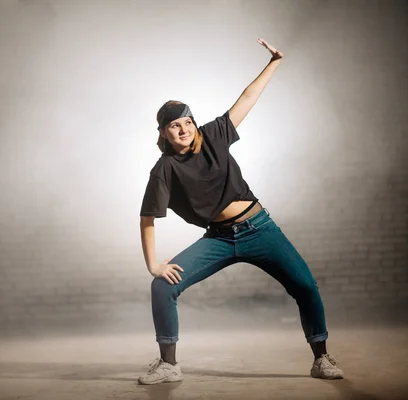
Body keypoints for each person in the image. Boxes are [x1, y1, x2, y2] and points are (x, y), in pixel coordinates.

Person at [137, 38, 343, 385]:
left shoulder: (214, 134)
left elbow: (247, 98)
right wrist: (154, 264)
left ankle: (321, 358)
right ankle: (169, 364)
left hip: (259, 229)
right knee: (161, 287)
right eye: (174, 126)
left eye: (187, 121)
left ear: (193, 122)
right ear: (164, 133)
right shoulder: (164, 169)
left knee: (306, 285)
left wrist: (274, 62)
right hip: (218, 238)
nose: (183, 129)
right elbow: (147, 218)